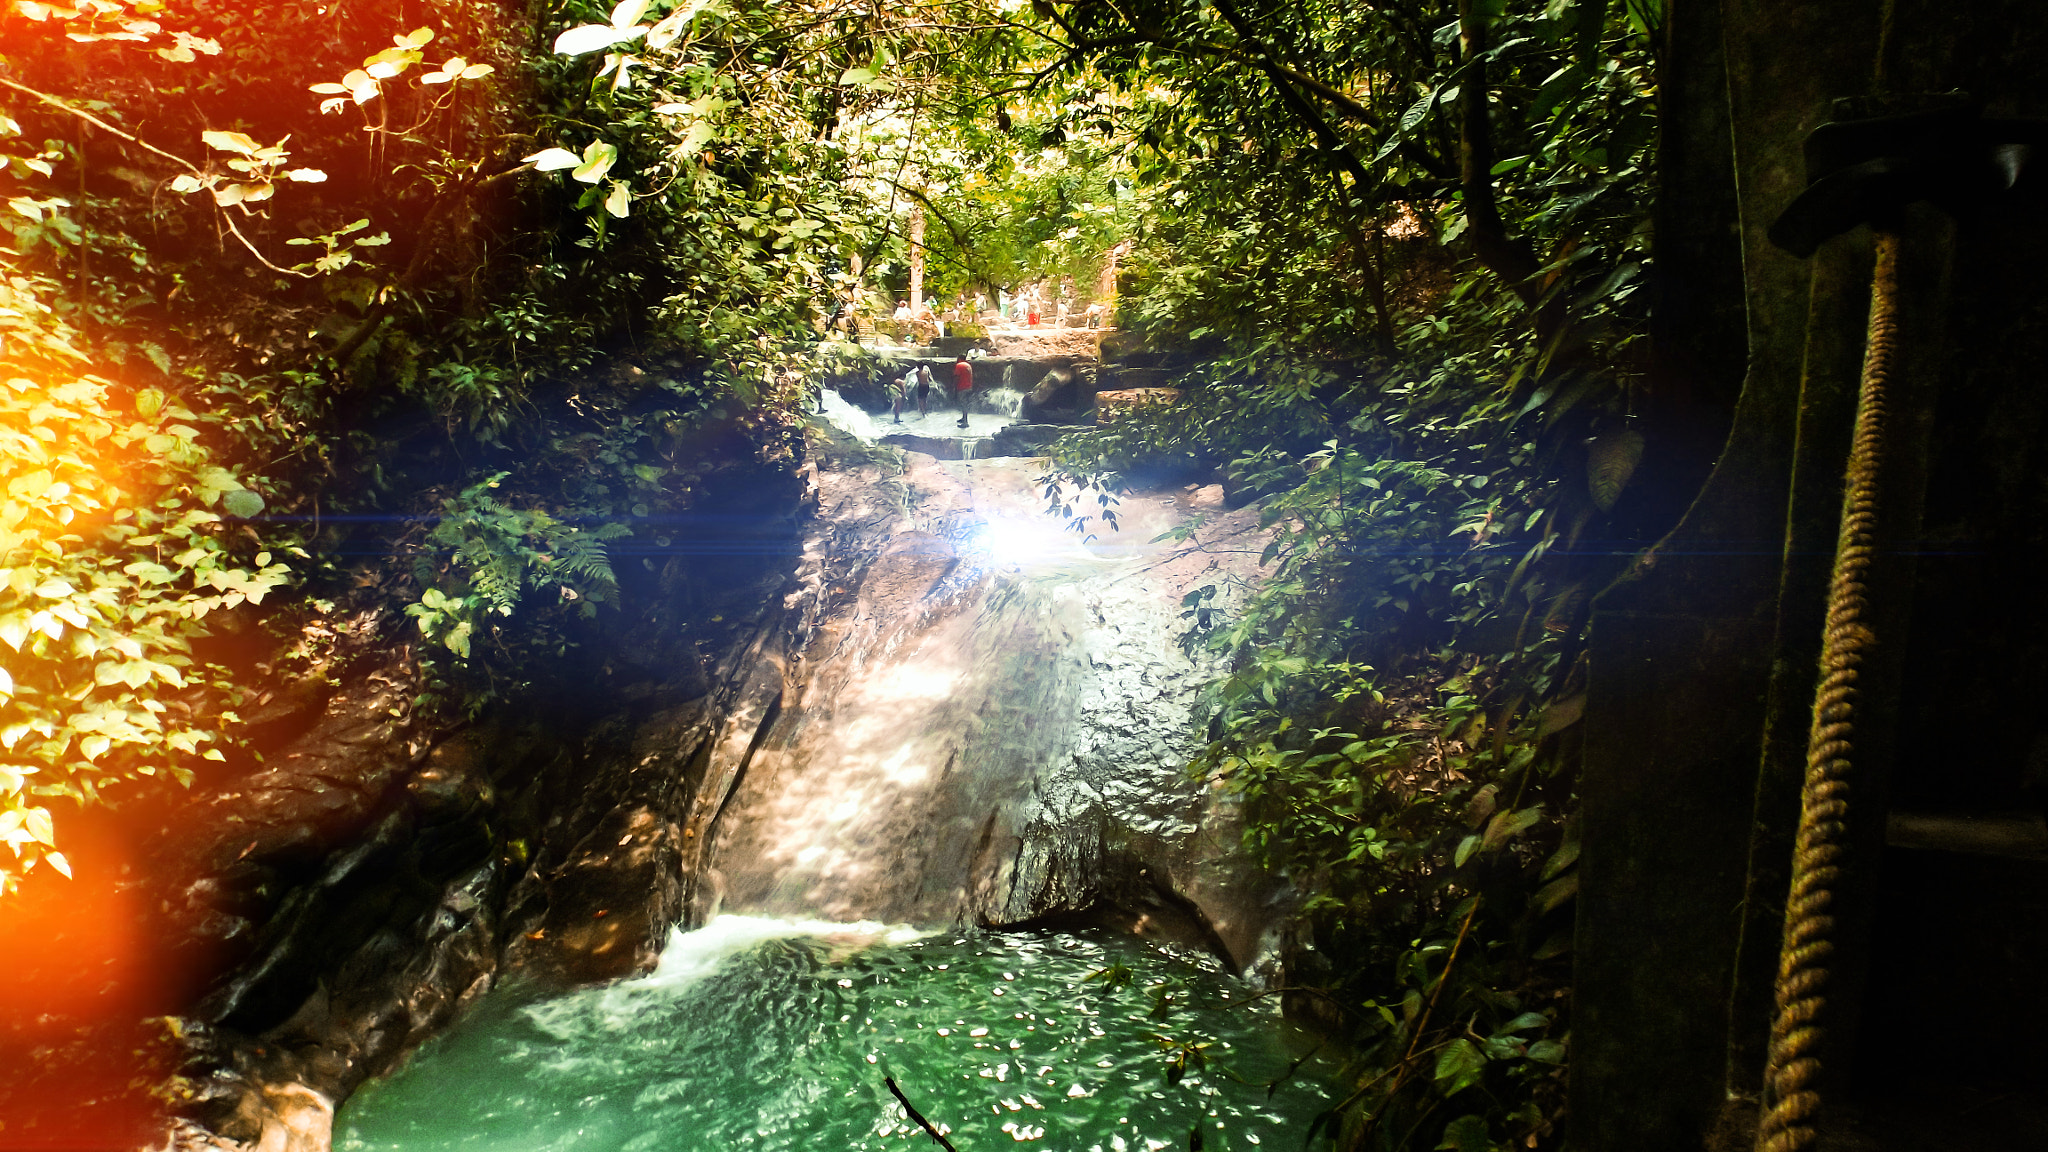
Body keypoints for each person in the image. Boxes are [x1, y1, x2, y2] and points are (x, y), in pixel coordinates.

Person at [952, 355, 973, 428]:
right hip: (968, 386)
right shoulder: (968, 365)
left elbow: (957, 376)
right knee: (965, 403)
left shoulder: (959, 365)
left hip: (962, 387)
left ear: (959, 358)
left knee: (963, 404)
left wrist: (954, 386)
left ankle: (965, 422)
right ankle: (963, 418)